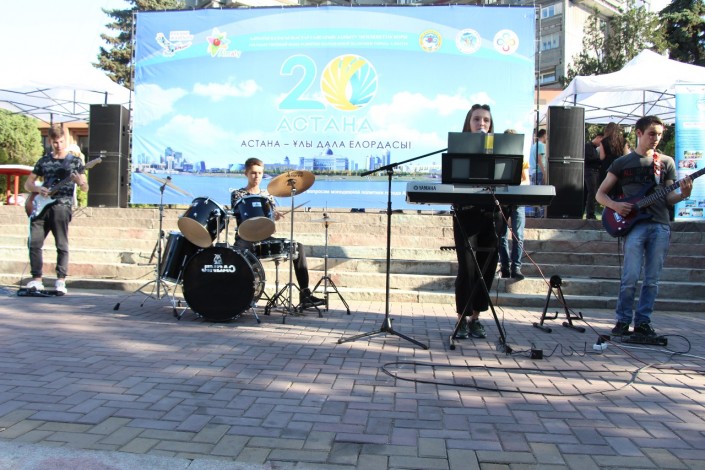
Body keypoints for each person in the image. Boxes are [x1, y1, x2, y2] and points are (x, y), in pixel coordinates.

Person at [596, 115, 692, 339]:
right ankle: (622, 320)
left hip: (660, 224)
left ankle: (643, 322)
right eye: (651, 134)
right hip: (634, 226)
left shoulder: (665, 162)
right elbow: (600, 194)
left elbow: (668, 198)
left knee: (652, 279)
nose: (656, 138)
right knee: (630, 276)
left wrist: (683, 194)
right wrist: (616, 206)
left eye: (659, 134)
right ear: (638, 133)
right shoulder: (622, 162)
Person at [230, 158, 323, 309]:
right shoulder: (238, 194)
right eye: (253, 173)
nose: (257, 176)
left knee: (298, 247)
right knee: (239, 257)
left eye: (260, 173)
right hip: (245, 237)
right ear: (246, 173)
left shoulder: (268, 195)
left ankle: (305, 295)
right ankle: (243, 297)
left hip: (264, 237)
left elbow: (269, 222)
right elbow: (242, 214)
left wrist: (273, 216)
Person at [452, 104, 508, 339]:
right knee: (467, 269)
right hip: (466, 214)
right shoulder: (458, 147)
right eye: (476, 119)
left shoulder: (501, 148)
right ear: (468, 123)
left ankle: (476, 318)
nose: (481, 123)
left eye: (486, 120)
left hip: (492, 214)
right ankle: (461, 319)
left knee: (487, 268)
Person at [24, 124, 88, 295]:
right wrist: (38, 189)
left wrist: (79, 182)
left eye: (60, 142)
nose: (58, 145)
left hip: (62, 205)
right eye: (55, 142)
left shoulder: (75, 162)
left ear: (65, 140)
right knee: (34, 242)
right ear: (50, 142)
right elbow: (28, 184)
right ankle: (37, 279)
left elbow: (85, 187)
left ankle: (60, 279)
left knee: (61, 243)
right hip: (42, 205)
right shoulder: (43, 161)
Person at [498, 129, 529, 280]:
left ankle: (516, 267)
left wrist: (515, 184)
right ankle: (504, 266)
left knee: (518, 235)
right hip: (502, 200)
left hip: (517, 200)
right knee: (501, 235)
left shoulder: (522, 158)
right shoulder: (499, 158)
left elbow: (526, 180)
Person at [598, 122, 629, 190]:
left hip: (607, 166)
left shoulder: (603, 141)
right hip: (620, 165)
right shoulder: (623, 141)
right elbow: (626, 155)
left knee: (606, 188)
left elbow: (602, 157)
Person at [583, 132, 604, 219]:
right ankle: (590, 214)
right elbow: (587, 159)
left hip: (593, 172)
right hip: (590, 171)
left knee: (591, 192)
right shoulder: (587, 146)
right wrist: (599, 160)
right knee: (592, 192)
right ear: (598, 137)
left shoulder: (594, 149)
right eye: (601, 141)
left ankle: (589, 213)